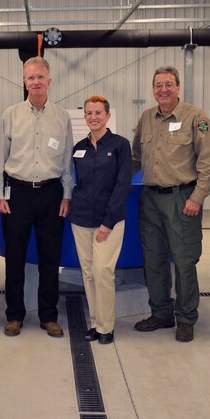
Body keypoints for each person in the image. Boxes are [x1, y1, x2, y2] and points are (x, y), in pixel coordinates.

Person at [131, 65, 210, 343]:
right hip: (151, 199)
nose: (163, 89)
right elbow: (134, 158)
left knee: (184, 261)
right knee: (153, 260)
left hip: (182, 200)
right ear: (153, 89)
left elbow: (208, 164)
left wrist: (197, 197)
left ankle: (186, 318)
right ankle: (161, 313)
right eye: (158, 85)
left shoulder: (196, 117)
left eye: (169, 84)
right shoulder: (146, 118)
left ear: (178, 87)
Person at [0, 57, 73, 338]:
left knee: (50, 258)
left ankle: (48, 316)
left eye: (40, 77)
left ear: (49, 81)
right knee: (14, 257)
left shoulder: (62, 116)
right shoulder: (10, 114)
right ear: (24, 81)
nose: (36, 82)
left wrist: (66, 195)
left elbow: (66, 159)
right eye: (30, 77)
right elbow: (0, 158)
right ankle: (14, 315)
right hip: (17, 193)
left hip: (51, 194)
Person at [70, 96, 132, 345]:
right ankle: (95, 323)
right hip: (81, 219)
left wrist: (108, 221)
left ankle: (107, 327)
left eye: (98, 113)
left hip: (110, 220)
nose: (93, 117)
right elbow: (75, 184)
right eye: (88, 113)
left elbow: (122, 185)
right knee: (88, 273)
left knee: (103, 271)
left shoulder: (120, 145)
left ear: (107, 116)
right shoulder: (78, 148)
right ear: (84, 117)